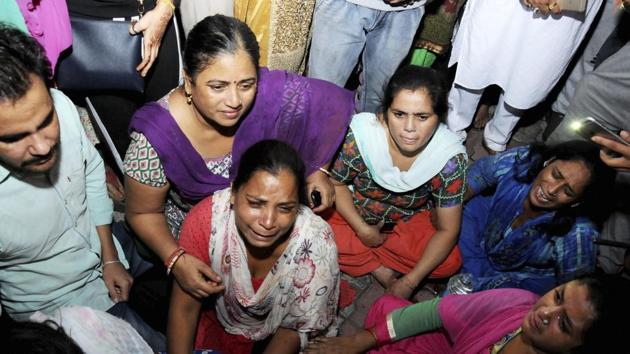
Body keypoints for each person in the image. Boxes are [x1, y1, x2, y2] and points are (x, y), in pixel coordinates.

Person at [124, 15, 353, 296]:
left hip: (259, 216)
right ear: (189, 81)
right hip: (193, 236)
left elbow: (327, 104)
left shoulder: (268, 93)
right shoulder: (155, 138)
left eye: (246, 84)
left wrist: (319, 169)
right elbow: (142, 212)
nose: (234, 101)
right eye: (217, 87)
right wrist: (176, 259)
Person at [0, 25, 162, 350]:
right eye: (15, 137)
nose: (43, 147)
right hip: (61, 309)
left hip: (108, 244)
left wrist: (110, 256)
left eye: (46, 121)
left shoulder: (61, 105)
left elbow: (90, 174)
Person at [167, 140, 340, 354]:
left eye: (285, 208)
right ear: (233, 193)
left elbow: (291, 330)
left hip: (277, 334)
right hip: (218, 317)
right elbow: (185, 309)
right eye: (256, 204)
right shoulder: (208, 223)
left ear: (298, 207)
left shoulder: (316, 245)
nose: (268, 222)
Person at [326, 65, 467, 299]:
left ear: (439, 117)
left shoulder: (449, 159)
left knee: (450, 262)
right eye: (399, 114)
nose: (409, 129)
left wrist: (410, 283)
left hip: (405, 222)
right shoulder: (362, 135)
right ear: (385, 111)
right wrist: (362, 230)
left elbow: (448, 229)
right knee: (311, 223)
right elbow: (336, 184)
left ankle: (362, 257)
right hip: (353, 213)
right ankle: (380, 269)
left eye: (422, 117)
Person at [305, 275, 630, 354]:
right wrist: (359, 340)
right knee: (387, 309)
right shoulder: (517, 302)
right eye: (558, 296)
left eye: (564, 323)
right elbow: (435, 311)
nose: (545, 311)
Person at [458, 141, 615, 294]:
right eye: (556, 175)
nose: (552, 190)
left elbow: (575, 292)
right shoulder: (525, 159)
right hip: (485, 224)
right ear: (549, 161)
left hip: (520, 276)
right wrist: (452, 203)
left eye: (568, 192)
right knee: (457, 212)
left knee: (505, 296)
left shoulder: (580, 233)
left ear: (577, 202)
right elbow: (482, 173)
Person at [447, 0, 603, 153]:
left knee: (532, 72)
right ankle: (454, 128)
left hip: (564, 11)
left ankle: (498, 135)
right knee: (480, 55)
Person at [308, 0, 427, 113]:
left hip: (406, 10)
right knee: (320, 96)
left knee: (376, 103)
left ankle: (358, 133)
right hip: (344, 4)